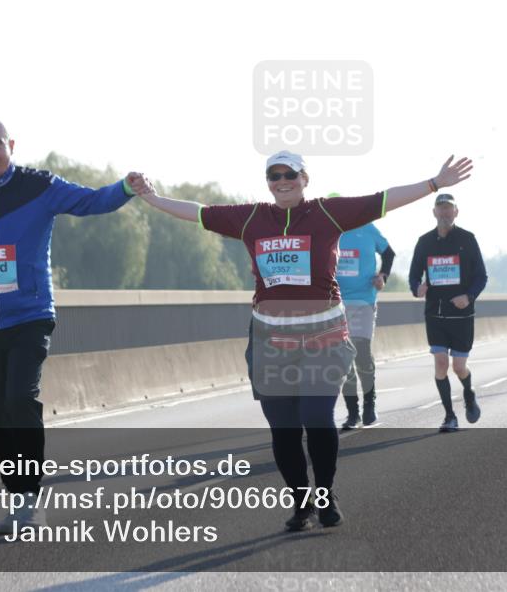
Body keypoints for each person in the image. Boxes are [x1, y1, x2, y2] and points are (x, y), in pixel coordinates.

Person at [132, 150, 473, 531]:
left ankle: (325, 496)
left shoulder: (328, 213)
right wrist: (151, 197)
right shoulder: (251, 218)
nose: (282, 181)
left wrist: (434, 184)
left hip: (323, 334)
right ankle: (301, 504)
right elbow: (198, 212)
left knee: (316, 418)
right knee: (284, 429)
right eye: (273, 175)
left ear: (304, 178)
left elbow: (384, 199)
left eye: (289, 174)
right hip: (270, 339)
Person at [0, 117, 139, 532]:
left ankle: (30, 499)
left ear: (11, 145)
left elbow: (90, 202)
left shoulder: (39, 186)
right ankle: (17, 494)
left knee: (20, 400)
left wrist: (124, 187)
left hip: (30, 315)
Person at [409, 193, 488, 433]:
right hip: (435, 314)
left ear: (456, 212)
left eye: (448, 209)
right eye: (440, 209)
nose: (444, 213)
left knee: (459, 368)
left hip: (462, 316)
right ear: (434, 212)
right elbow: (414, 275)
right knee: (441, 364)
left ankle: (468, 393)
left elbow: (481, 276)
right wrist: (417, 288)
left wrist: (469, 296)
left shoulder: (467, 239)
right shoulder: (424, 242)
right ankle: (449, 416)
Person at [330, 199, 395, 429]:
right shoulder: (328, 230)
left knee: (362, 352)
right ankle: (352, 412)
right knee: (344, 358)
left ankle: (370, 403)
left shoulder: (366, 227)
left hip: (364, 301)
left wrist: (383, 276)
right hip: (336, 304)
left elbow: (389, 253)